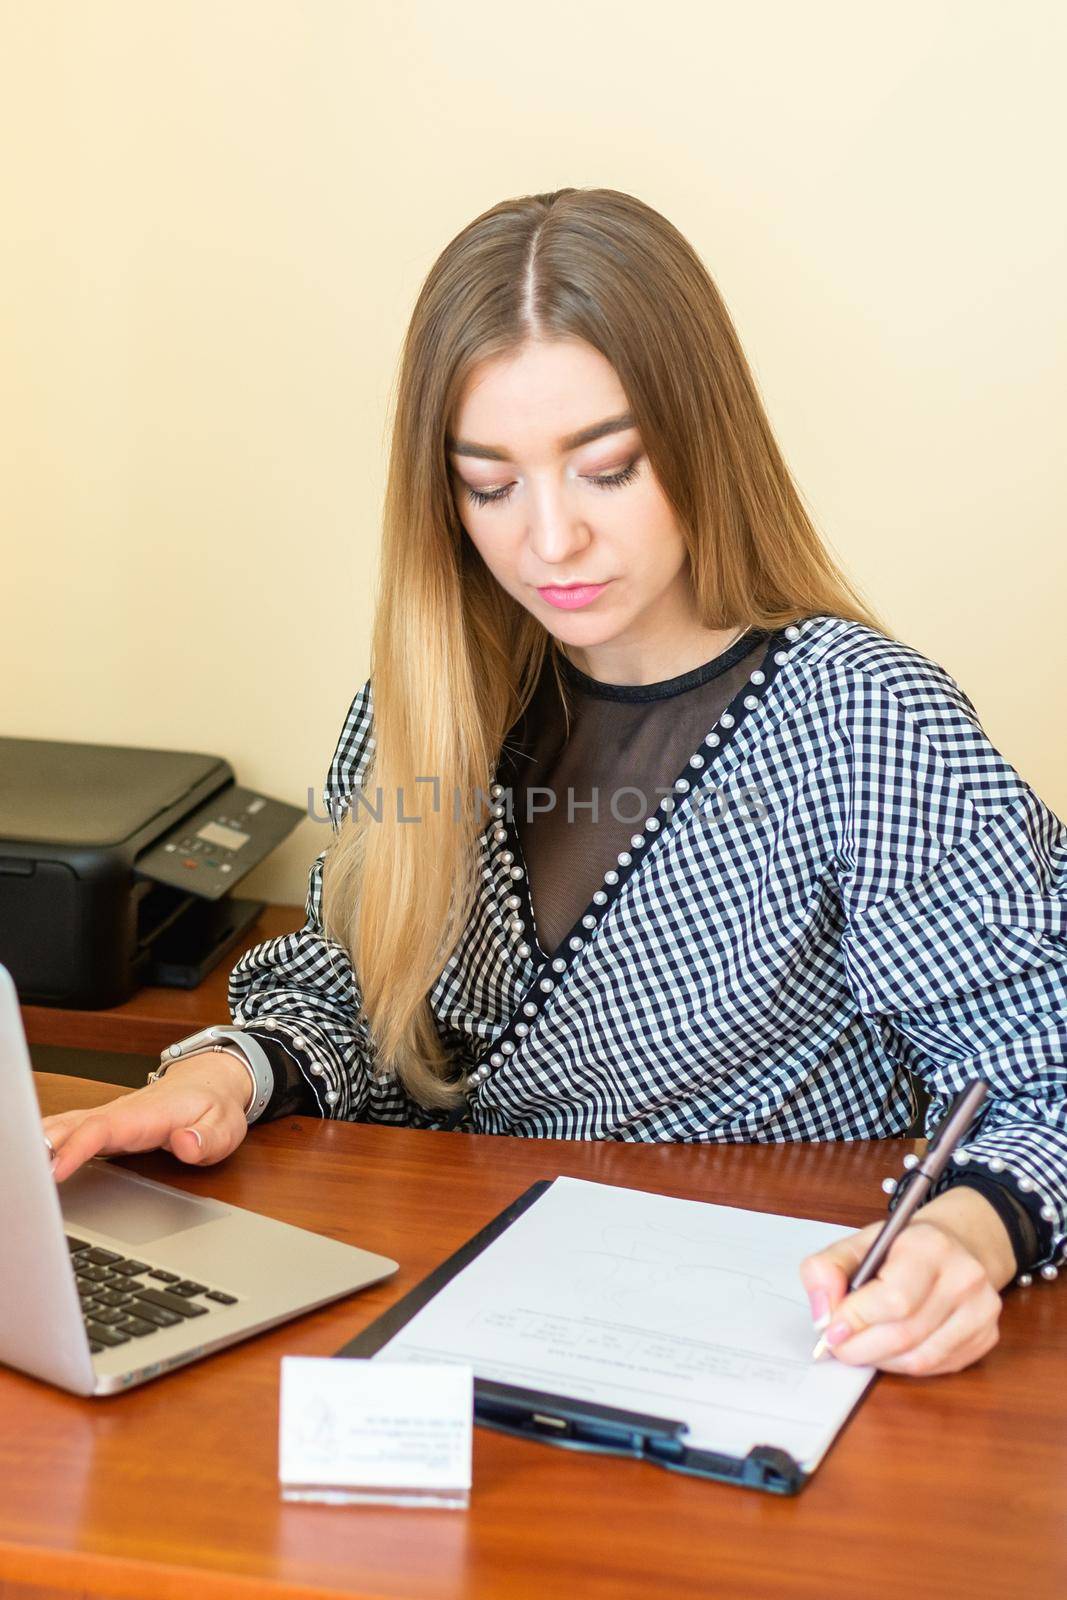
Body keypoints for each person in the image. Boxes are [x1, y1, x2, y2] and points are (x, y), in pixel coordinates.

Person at [43, 187, 1067, 1380]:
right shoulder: (430, 704)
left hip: (784, 1344)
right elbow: (358, 991)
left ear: (701, 441)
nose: (550, 542)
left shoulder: (861, 717)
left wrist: (964, 1231)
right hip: (469, 1310)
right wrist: (222, 1074)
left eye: (607, 469)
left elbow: (1041, 1070)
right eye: (489, 485)